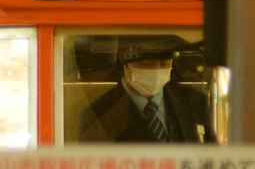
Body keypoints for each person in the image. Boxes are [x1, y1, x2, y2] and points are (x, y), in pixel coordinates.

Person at [77, 42, 217, 144]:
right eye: (145, 63)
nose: (155, 70)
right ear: (125, 58)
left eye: (164, 64)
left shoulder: (194, 101)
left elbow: (212, 160)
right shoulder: (97, 114)